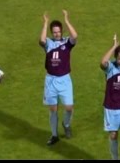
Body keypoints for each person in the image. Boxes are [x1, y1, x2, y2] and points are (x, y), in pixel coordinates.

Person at [39, 10, 77, 146]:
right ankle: (54, 135)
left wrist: (66, 20)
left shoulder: (67, 43)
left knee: (69, 107)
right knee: (53, 109)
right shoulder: (48, 43)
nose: (56, 34)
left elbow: (75, 36)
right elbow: (42, 40)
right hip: (51, 80)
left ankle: (66, 124)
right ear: (51, 32)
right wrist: (45, 23)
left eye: (58, 32)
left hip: (65, 80)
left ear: (61, 31)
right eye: (54, 32)